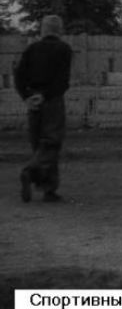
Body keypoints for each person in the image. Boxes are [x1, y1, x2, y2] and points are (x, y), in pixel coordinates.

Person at [15, 14, 73, 203]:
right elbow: (62, 80)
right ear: (59, 30)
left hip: (33, 100)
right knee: (52, 142)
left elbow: (19, 75)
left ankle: (46, 186)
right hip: (52, 100)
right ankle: (32, 174)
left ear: (43, 30)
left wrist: (27, 96)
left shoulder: (31, 49)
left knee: (38, 142)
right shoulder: (63, 49)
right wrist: (46, 95)